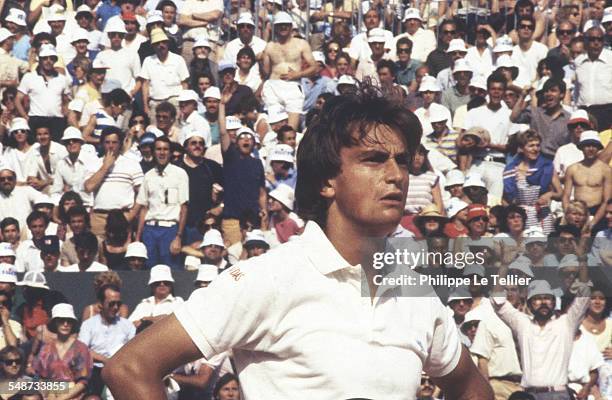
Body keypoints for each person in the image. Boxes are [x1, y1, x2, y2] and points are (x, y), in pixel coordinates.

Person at [103, 85, 493, 399]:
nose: (397, 175)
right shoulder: (268, 278)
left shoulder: (416, 293)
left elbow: (471, 386)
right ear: (327, 180)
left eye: (403, 161)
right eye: (374, 159)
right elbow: (129, 368)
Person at [134, 136, 189, 269]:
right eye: (158, 149)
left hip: (169, 229)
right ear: (153, 152)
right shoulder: (148, 176)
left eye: (165, 149)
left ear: (170, 153)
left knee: (171, 269)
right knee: (149, 269)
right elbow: (144, 208)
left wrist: (178, 236)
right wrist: (138, 238)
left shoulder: (180, 174)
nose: (162, 152)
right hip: (150, 230)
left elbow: (184, 208)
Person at [84, 126, 144, 239]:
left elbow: (141, 194)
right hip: (99, 217)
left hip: (123, 216)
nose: (111, 146)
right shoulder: (94, 164)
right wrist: (105, 166)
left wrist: (131, 215)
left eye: (114, 142)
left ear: (120, 144)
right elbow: (89, 187)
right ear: (102, 144)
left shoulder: (132, 164)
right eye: (107, 142)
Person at [261, 11, 317, 130]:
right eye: (280, 24)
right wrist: (261, 56)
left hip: (292, 86)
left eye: (286, 24)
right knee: (274, 127)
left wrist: (298, 74)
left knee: (291, 128)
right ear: (275, 27)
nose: (283, 27)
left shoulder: (301, 44)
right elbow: (265, 72)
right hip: (273, 86)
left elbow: (314, 67)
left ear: (291, 26)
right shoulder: (270, 46)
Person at [78, 284, 135, 396]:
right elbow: (82, 349)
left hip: (121, 371)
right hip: (96, 372)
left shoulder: (127, 325)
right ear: (100, 304)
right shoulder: (89, 325)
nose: (115, 307)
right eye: (111, 303)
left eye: (118, 304)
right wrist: (106, 360)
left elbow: (133, 350)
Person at [503, 130, 562, 234]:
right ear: (521, 148)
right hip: (522, 216)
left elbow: (560, 193)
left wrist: (550, 194)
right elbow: (504, 198)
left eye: (538, 145)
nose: (535, 149)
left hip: (542, 214)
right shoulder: (511, 170)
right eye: (531, 146)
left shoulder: (546, 166)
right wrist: (513, 214)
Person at [32, 303, 93, 400]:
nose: (65, 324)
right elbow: (40, 378)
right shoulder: (46, 349)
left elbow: (83, 382)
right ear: (55, 323)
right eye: (61, 320)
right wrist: (48, 395)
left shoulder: (81, 348)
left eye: (69, 321)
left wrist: (63, 398)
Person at [563, 131, 612, 233]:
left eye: (594, 145)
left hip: (597, 212)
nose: (590, 149)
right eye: (587, 145)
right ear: (581, 147)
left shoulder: (606, 170)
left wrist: (593, 222)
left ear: (598, 148)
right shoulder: (572, 169)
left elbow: (606, 200)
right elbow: (566, 196)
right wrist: (568, 215)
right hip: (576, 211)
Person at [128, 264, 184, 329]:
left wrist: (147, 319)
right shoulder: (144, 303)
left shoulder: (177, 302)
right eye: (157, 282)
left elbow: (176, 321)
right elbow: (129, 325)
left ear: (170, 285)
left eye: (166, 282)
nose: (162, 284)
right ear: (152, 285)